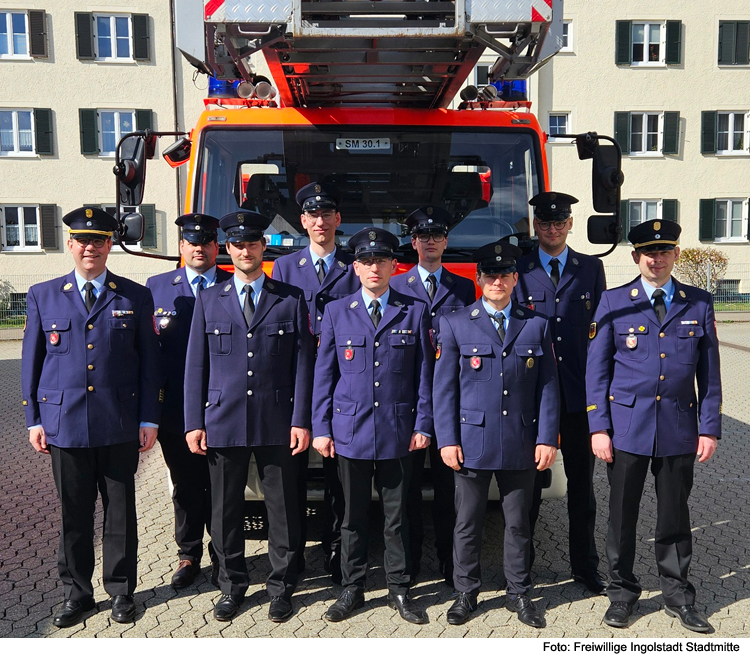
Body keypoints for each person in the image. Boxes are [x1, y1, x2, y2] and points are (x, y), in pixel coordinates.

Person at [21, 207, 161, 627]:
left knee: (120, 513)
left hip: (118, 422)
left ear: (109, 245)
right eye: (82, 239)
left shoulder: (134, 295)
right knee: (74, 515)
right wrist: (34, 419)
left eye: (98, 240)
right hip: (64, 425)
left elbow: (149, 363)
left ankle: (120, 591)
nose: (90, 247)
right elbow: (32, 360)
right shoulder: (44, 295)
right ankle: (77, 593)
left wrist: (148, 418)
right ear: (69, 244)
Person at [586, 219, 721, 633]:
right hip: (626, 428)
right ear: (635, 257)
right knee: (622, 517)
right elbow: (597, 371)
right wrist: (599, 427)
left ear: (676, 255)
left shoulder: (698, 302)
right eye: (648, 252)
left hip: (679, 428)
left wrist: (709, 427)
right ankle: (622, 594)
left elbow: (710, 374)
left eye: (664, 251)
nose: (656, 259)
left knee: (675, 518)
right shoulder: (613, 302)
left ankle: (678, 595)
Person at [183, 211, 315, 623]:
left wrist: (301, 419)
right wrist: (193, 422)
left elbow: (303, 364)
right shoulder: (209, 299)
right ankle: (232, 585)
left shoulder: (290, 297)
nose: (245, 250)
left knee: (283, 508)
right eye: (237, 244)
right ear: (228, 249)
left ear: (263, 248)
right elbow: (195, 366)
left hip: (277, 419)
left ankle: (281, 587)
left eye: (252, 243)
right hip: (223, 419)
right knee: (225, 509)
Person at [433, 240, 559, 628]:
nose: (497, 281)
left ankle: (519, 592)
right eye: (490, 275)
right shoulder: (455, 322)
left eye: (505, 275)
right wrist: (447, 439)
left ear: (515, 279)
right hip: (472, 442)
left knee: (518, 524)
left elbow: (549, 386)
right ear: (479, 278)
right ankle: (465, 592)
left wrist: (547, 437)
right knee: (467, 523)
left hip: (522, 440)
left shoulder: (536, 324)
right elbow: (444, 389)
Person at [312, 227, 433, 625]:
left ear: (395, 265)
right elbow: (324, 376)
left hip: (399, 430)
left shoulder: (414, 309)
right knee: (352, 516)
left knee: (397, 518)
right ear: (355, 267)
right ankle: (352, 587)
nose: (374, 268)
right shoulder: (336, 311)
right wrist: (321, 427)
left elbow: (424, 376)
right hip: (350, 432)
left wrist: (423, 424)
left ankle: (400, 589)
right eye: (366, 261)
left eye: (382, 260)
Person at [514, 191, 607, 594]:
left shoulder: (590, 268)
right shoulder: (518, 268)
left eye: (559, 222)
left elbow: (601, 335)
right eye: (545, 223)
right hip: (533, 398)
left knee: (582, 491)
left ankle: (585, 567)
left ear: (570, 224)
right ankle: (523, 570)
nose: (552, 228)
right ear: (535, 226)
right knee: (528, 491)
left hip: (578, 395)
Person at [272, 182, 359, 583]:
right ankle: (292, 549)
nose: (320, 222)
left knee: (337, 469)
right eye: (313, 215)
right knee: (291, 469)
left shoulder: (354, 264)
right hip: (297, 377)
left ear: (337, 221)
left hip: (343, 379)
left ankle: (336, 546)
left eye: (328, 215)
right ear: (303, 222)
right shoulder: (286, 267)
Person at [391, 205, 476, 587]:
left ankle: (448, 560)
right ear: (414, 243)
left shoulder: (463, 286)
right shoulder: (396, 286)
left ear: (446, 241)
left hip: (451, 400)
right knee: (406, 490)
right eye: (423, 236)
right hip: (408, 400)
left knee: (449, 490)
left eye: (437, 235)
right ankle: (407, 564)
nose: (430, 242)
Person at [146, 214, 231, 589]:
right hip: (176, 408)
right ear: (181, 247)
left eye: (207, 241)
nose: (199, 247)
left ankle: (225, 555)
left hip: (225, 405)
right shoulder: (157, 287)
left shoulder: (235, 284)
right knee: (185, 484)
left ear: (218, 247)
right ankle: (188, 553)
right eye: (191, 242)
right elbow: (148, 355)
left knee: (223, 485)